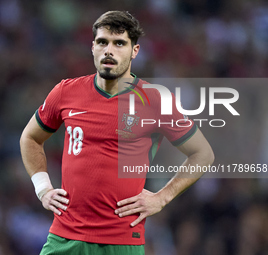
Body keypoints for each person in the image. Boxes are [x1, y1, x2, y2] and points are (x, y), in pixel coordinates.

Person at [20, 10, 214, 255]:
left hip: (122, 242)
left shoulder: (155, 100)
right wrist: (43, 188)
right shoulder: (65, 92)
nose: (109, 51)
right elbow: (31, 137)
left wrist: (162, 198)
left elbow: (202, 154)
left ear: (135, 51)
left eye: (119, 43)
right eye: (102, 42)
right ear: (92, 47)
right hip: (65, 238)